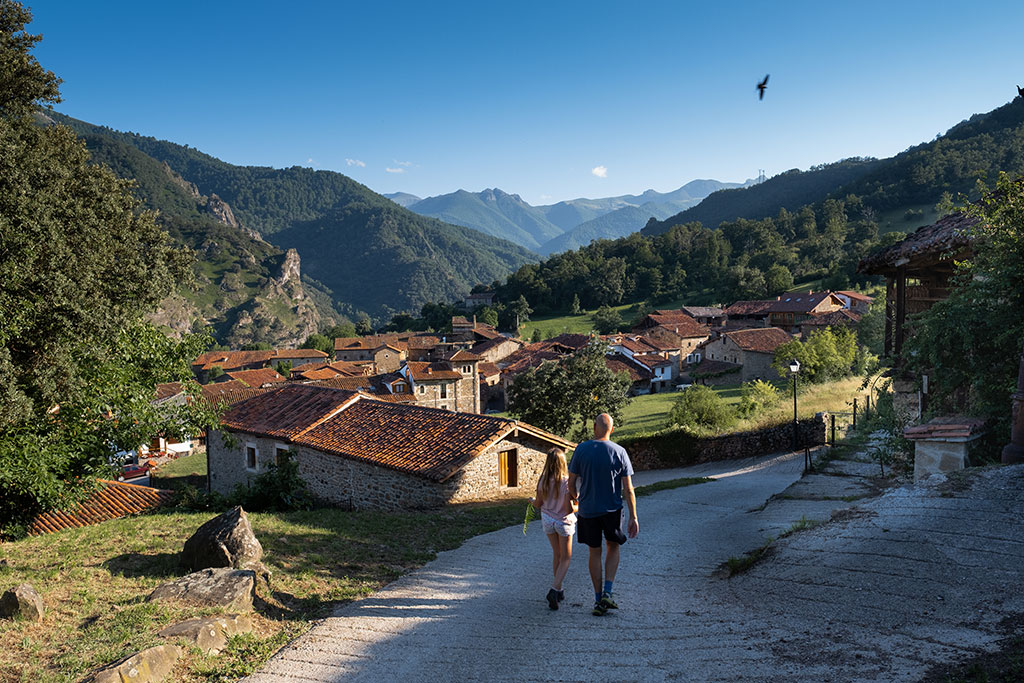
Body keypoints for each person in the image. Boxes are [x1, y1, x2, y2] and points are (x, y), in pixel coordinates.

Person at [568, 413, 638, 616]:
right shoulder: (620, 452)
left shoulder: (581, 449)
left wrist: (577, 498)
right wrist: (633, 516)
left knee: (594, 552)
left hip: (587, 511)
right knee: (613, 546)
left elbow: (571, 483)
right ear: (612, 430)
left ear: (594, 427)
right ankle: (608, 591)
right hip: (612, 510)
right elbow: (629, 489)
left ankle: (598, 599)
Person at [530, 447, 577, 610]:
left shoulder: (542, 480)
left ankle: (560, 589)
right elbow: (568, 509)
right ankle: (554, 589)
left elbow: (538, 503)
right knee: (566, 557)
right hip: (563, 522)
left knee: (556, 554)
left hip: (547, 520)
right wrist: (579, 506)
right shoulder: (566, 482)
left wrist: (531, 501)